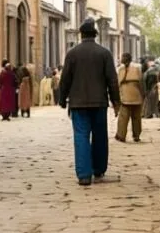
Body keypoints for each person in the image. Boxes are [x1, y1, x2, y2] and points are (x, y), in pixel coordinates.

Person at [59, 18, 120, 187]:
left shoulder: (72, 54)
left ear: (81, 35)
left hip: (78, 103)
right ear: (95, 35)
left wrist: (62, 99)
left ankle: (84, 175)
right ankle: (98, 169)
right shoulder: (104, 53)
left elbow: (65, 79)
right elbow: (112, 80)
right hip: (99, 102)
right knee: (100, 136)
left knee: (81, 136)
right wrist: (116, 101)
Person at [115, 53, 144, 143]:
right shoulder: (137, 69)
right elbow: (141, 83)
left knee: (123, 118)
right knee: (136, 118)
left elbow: (117, 84)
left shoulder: (120, 70)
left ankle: (121, 135)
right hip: (137, 97)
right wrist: (143, 95)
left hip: (125, 98)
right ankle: (136, 135)